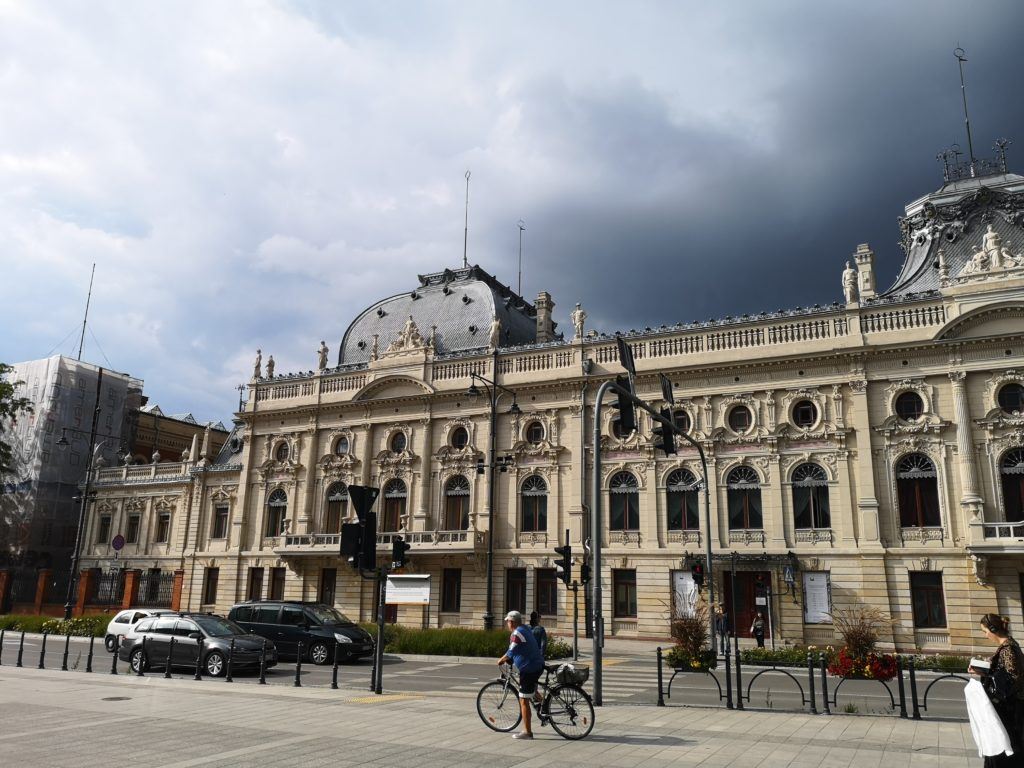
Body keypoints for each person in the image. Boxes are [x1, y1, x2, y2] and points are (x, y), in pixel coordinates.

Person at [970, 614, 1024, 766]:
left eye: (985, 631)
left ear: (993, 630)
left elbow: (1013, 678)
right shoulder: (1010, 645)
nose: (985, 635)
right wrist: (984, 671)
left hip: (1009, 711)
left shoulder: (1007, 649)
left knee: (1004, 751)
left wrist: (990, 674)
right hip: (1011, 709)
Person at [497, 610, 545, 740]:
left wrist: (500, 660)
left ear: (511, 622)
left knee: (523, 699)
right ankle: (544, 706)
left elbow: (511, 651)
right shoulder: (525, 629)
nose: (507, 623)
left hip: (529, 668)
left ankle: (527, 732)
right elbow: (519, 648)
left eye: (507, 621)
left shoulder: (517, 633)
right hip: (538, 664)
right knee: (531, 690)